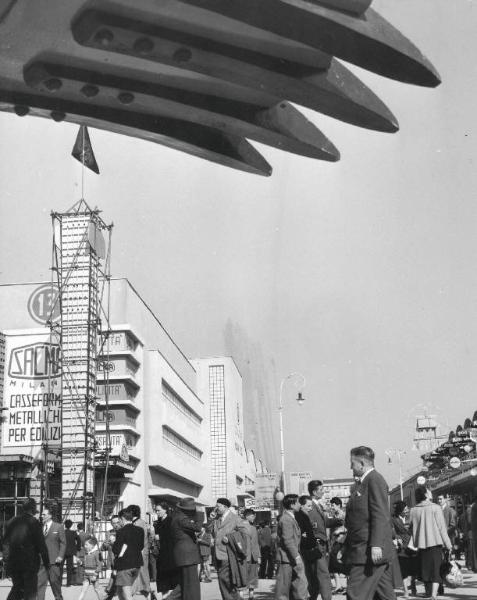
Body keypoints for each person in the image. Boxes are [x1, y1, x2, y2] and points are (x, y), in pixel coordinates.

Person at [344, 446, 396, 600]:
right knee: (384, 595)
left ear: (361, 463)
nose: (350, 467)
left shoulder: (374, 480)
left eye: (352, 463)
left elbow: (380, 514)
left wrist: (376, 545)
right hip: (363, 549)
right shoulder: (363, 483)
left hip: (368, 551)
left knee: (355, 594)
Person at [409, 486, 452, 600]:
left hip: (421, 545)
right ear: (426, 495)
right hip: (435, 544)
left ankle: (428, 593)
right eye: (429, 491)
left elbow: (411, 528)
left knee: (426, 570)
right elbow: (442, 528)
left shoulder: (413, 510)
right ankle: (433, 594)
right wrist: (448, 544)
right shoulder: (436, 508)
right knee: (436, 570)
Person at [2, 497, 49, 600]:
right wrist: (47, 563)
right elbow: (41, 545)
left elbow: (5, 543)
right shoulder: (34, 522)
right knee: (30, 592)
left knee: (17, 588)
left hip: (14, 563)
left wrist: (7, 560)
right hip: (29, 564)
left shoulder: (11, 522)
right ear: (33, 509)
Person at [307, 479, 343, 600]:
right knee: (323, 575)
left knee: (317, 575)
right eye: (321, 490)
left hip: (322, 544)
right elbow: (314, 526)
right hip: (318, 544)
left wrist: (339, 520)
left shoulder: (317, 505)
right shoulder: (311, 506)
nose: (323, 492)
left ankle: (312, 597)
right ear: (314, 491)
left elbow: (325, 522)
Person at [208, 497, 248, 600]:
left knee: (225, 580)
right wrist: (211, 519)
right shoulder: (217, 519)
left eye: (218, 506)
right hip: (218, 555)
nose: (215, 509)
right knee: (225, 582)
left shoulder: (235, 518)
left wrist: (230, 538)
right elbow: (208, 531)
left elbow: (244, 533)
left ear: (225, 507)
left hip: (228, 554)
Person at [275, 494, 308, 600]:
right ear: (292, 504)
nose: (300, 504)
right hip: (286, 558)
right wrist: (297, 557)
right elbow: (288, 540)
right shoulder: (286, 519)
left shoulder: (290, 517)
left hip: (290, 558)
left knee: (297, 585)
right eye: (298, 502)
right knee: (283, 590)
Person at [168, 497, 202, 600]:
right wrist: (200, 514)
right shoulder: (182, 519)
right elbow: (197, 528)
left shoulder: (177, 517)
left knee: (184, 584)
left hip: (183, 556)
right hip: (187, 556)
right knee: (191, 586)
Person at [112, 507, 145, 600]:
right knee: (119, 590)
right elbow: (141, 546)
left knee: (127, 594)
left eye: (119, 520)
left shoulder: (121, 532)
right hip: (137, 564)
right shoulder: (140, 530)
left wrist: (113, 543)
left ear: (122, 518)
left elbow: (116, 550)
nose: (119, 523)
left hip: (124, 565)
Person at [295, 495, 322, 600]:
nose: (311, 508)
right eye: (308, 506)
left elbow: (308, 534)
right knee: (309, 576)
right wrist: (307, 538)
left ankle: (312, 594)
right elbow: (301, 534)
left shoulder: (304, 515)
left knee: (312, 576)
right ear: (301, 506)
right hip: (305, 551)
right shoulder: (299, 516)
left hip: (309, 550)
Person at [38, 504, 66, 600]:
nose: (41, 516)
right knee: (40, 586)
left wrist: (60, 556)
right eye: (41, 514)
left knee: (55, 584)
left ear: (50, 516)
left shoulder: (58, 527)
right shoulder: (39, 528)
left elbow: (63, 543)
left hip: (54, 561)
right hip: (41, 562)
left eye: (44, 514)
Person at [391, 501, 417, 599]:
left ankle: (413, 587)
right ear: (400, 510)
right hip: (402, 548)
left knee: (413, 569)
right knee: (404, 570)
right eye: (405, 509)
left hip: (413, 545)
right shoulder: (393, 519)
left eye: (407, 509)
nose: (407, 510)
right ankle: (406, 591)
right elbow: (392, 531)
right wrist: (397, 537)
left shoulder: (411, 517)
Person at [154, 501, 179, 598]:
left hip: (170, 554)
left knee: (171, 580)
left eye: (159, 510)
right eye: (156, 511)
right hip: (162, 554)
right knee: (163, 581)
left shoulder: (170, 520)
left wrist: (160, 537)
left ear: (165, 510)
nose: (157, 512)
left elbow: (172, 536)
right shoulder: (158, 521)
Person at [129, 505, 152, 598]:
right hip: (141, 550)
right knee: (138, 573)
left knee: (142, 572)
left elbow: (140, 539)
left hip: (140, 551)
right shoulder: (139, 522)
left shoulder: (138, 523)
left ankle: (147, 591)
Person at [242, 509, 261, 600]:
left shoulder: (253, 528)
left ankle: (250, 594)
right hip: (246, 555)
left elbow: (256, 543)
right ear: (247, 516)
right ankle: (247, 594)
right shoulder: (239, 527)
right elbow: (255, 543)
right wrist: (258, 556)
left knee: (249, 574)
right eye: (253, 516)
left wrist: (259, 556)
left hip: (250, 555)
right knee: (249, 575)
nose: (254, 518)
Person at [64, 519, 81, 587]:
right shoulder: (74, 533)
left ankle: (59, 582)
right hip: (71, 552)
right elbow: (79, 540)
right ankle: (68, 583)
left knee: (60, 567)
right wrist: (77, 548)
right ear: (71, 525)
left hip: (62, 551)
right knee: (69, 568)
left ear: (65, 525)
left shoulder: (62, 532)